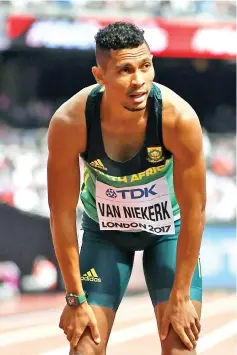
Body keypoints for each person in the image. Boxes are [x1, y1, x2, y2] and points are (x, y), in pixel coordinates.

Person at [47, 22, 206, 355]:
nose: (139, 81)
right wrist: (75, 298)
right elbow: (61, 212)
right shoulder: (70, 122)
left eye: (146, 66)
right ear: (99, 75)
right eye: (125, 70)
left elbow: (195, 211)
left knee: (180, 345)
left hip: (167, 233)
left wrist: (180, 297)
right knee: (84, 347)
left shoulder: (178, 119)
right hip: (104, 233)